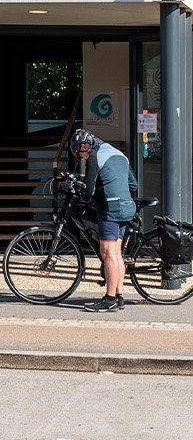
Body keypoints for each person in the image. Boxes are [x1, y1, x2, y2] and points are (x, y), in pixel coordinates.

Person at [74, 128, 138, 313]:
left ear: (85, 146)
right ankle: (118, 296)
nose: (82, 158)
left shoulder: (95, 156)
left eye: (81, 154)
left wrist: (88, 187)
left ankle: (109, 299)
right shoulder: (119, 154)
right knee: (116, 253)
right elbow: (133, 184)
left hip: (111, 209)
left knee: (108, 253)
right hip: (127, 206)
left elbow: (88, 192)